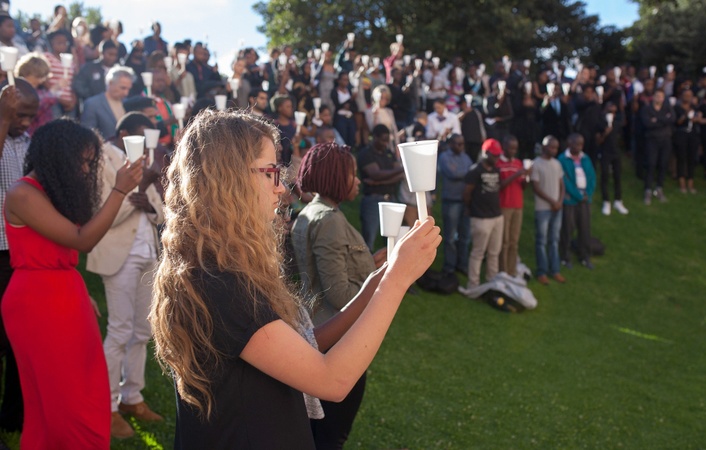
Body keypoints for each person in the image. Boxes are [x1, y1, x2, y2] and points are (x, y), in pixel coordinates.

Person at [149, 110, 440, 448]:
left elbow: (299, 350)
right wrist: (397, 280)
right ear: (229, 179)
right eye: (271, 173)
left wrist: (376, 283)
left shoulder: (220, 266)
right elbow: (333, 380)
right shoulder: (220, 282)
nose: (282, 189)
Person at [3, 119, 143, 448]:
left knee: (82, 389)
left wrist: (76, 292)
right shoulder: (22, 193)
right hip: (37, 303)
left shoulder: (54, 193)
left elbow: (64, 252)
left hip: (64, 294)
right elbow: (82, 240)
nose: (84, 168)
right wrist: (120, 190)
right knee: (63, 400)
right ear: (57, 156)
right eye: (81, 160)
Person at [291, 142, 385, 449]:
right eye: (352, 174)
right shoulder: (329, 220)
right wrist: (387, 278)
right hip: (336, 338)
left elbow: (331, 273)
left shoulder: (311, 211)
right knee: (331, 435)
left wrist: (374, 263)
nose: (357, 180)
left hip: (316, 330)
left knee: (317, 431)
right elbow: (340, 293)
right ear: (334, 176)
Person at [86, 113, 165, 439]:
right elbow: (99, 214)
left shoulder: (144, 161)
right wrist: (139, 191)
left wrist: (146, 198)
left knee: (142, 330)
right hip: (119, 254)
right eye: (140, 133)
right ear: (122, 134)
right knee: (119, 331)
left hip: (148, 252)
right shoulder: (103, 159)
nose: (146, 139)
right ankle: (107, 406)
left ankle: (132, 396)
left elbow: (160, 212)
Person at [0, 80, 39, 433]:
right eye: (19, 115)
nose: (26, 122)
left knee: (19, 341)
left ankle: (13, 417)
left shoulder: (28, 145)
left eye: (30, 116)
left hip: (21, 254)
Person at [463, 138, 503, 288]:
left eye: (499, 155)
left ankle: (492, 281)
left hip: (497, 216)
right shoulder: (475, 171)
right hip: (481, 217)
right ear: (486, 153)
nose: (497, 158)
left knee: (494, 252)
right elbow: (467, 193)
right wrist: (470, 208)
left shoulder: (496, 169)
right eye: (495, 155)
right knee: (478, 253)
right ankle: (473, 284)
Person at [357, 124, 404, 250]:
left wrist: (379, 182)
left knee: (392, 239)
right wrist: (398, 170)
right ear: (374, 137)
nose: (385, 143)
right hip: (373, 200)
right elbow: (375, 174)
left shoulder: (389, 153)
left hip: (391, 198)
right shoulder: (366, 154)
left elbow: (401, 175)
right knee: (369, 238)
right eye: (383, 139)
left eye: (387, 140)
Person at [558, 133, 596, 270]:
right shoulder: (562, 159)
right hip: (570, 200)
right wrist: (578, 196)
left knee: (585, 228)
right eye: (576, 144)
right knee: (568, 228)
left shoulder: (585, 158)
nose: (579, 147)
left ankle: (584, 256)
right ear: (569, 144)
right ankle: (565, 257)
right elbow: (564, 181)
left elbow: (592, 177)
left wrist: (588, 193)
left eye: (581, 144)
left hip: (585, 199)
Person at [532, 135, 565, 285]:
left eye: (556, 147)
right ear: (544, 147)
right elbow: (536, 188)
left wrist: (559, 201)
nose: (555, 150)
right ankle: (542, 271)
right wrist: (552, 201)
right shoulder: (536, 164)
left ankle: (555, 270)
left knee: (554, 240)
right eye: (552, 147)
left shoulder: (557, 164)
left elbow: (561, 184)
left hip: (557, 208)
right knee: (541, 241)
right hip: (543, 208)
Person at [437, 134, 472, 275]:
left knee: (465, 236)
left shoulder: (466, 157)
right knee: (450, 237)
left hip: (465, 201)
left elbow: (466, 173)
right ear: (451, 144)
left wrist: (462, 173)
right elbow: (452, 174)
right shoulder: (444, 157)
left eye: (462, 144)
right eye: (458, 144)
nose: (461, 146)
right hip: (451, 201)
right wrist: (466, 173)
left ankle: (462, 264)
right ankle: (449, 266)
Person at [496, 135, 528, 277]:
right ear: (504, 147)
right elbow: (500, 186)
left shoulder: (518, 163)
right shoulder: (498, 164)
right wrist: (517, 175)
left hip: (517, 205)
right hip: (504, 205)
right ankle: (503, 270)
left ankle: (512, 269)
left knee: (514, 241)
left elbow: (523, 186)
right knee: (504, 240)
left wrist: (527, 177)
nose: (513, 151)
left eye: (516, 148)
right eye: (511, 148)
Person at [641, 89, 675, 205]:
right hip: (652, 140)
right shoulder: (647, 108)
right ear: (653, 97)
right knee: (651, 164)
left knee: (663, 164)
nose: (659, 98)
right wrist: (664, 120)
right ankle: (648, 190)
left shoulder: (667, 108)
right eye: (657, 96)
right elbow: (647, 123)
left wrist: (657, 120)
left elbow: (672, 119)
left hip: (665, 140)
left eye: (661, 96)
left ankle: (659, 187)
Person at [80, 66, 134, 140]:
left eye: (128, 89)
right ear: (110, 83)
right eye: (123, 88)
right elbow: (87, 135)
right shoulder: (92, 104)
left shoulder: (128, 103)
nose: (126, 93)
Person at [597, 101, 629, 215]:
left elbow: (620, 138)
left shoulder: (617, 123)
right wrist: (605, 133)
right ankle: (606, 201)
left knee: (617, 177)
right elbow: (598, 141)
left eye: (614, 112)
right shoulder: (600, 123)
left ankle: (618, 200)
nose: (612, 114)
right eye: (610, 111)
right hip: (605, 153)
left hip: (616, 153)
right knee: (605, 177)